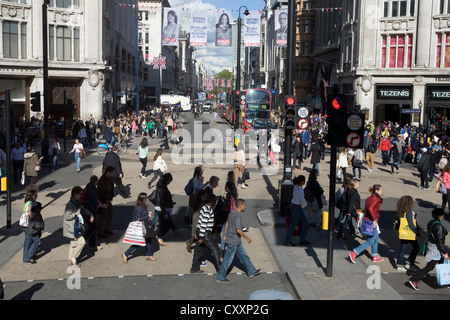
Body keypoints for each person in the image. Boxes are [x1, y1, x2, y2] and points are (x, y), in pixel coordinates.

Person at [216, 199, 261, 283]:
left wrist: (225, 235)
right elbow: (238, 230)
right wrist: (247, 238)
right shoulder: (237, 216)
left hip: (236, 240)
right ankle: (220, 276)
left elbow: (227, 223)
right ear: (241, 206)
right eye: (245, 205)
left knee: (244, 255)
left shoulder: (232, 212)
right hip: (233, 241)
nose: (245, 207)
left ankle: (251, 271)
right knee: (228, 259)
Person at [408, 208, 448, 291]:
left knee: (440, 263)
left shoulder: (431, 222)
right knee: (430, 266)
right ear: (441, 216)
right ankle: (414, 279)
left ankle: (444, 281)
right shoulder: (438, 226)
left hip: (430, 245)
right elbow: (440, 241)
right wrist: (445, 252)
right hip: (435, 248)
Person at [349, 184, 384, 263]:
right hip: (371, 221)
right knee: (370, 241)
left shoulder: (369, 198)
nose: (382, 192)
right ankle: (354, 253)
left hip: (367, 220)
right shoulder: (376, 199)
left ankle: (375, 256)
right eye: (381, 190)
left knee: (376, 238)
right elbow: (371, 208)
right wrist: (374, 219)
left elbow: (367, 208)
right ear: (377, 190)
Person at [191, 193, 221, 273]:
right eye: (215, 201)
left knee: (198, 250)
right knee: (215, 248)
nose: (215, 202)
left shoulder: (204, 207)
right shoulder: (208, 210)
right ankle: (220, 268)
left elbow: (199, 222)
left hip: (200, 231)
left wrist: (197, 233)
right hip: (204, 233)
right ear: (211, 201)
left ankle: (194, 268)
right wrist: (201, 237)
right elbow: (204, 223)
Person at [122, 192, 157, 263]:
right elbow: (138, 219)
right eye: (146, 198)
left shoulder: (143, 206)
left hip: (144, 226)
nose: (147, 199)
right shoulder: (139, 208)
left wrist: (147, 214)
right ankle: (126, 254)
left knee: (148, 240)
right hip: (140, 227)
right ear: (144, 199)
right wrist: (148, 216)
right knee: (138, 242)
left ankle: (149, 255)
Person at [63, 186, 94, 267]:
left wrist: (90, 214)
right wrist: (74, 214)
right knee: (82, 242)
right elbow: (67, 217)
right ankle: (73, 257)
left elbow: (82, 210)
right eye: (80, 194)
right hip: (72, 228)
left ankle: (71, 261)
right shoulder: (70, 204)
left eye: (82, 193)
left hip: (73, 227)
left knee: (73, 244)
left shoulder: (77, 202)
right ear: (75, 194)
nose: (81, 195)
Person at [284, 175, 313, 247]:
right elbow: (303, 202)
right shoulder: (300, 190)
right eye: (304, 180)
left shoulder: (296, 187)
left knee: (304, 221)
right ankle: (288, 241)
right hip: (297, 208)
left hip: (295, 206)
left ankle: (302, 239)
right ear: (302, 181)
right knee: (294, 224)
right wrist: (310, 211)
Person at [395, 195, 420, 271]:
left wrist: (414, 215)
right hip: (409, 233)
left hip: (403, 233)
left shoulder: (401, 212)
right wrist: (417, 233)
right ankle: (409, 263)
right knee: (416, 248)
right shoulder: (409, 213)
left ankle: (400, 264)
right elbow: (411, 224)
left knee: (403, 248)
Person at [83, 175, 107, 251]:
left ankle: (87, 241)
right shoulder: (92, 190)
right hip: (91, 211)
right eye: (97, 181)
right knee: (92, 228)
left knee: (91, 227)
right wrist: (102, 205)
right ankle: (89, 243)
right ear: (95, 181)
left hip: (87, 210)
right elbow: (95, 202)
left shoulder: (88, 188)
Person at [19, 186, 40, 264]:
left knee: (28, 240)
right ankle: (28, 257)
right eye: (36, 195)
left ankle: (25, 258)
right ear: (32, 196)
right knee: (36, 240)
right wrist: (36, 212)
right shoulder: (31, 203)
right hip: (27, 224)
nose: (37, 196)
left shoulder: (27, 202)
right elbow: (31, 215)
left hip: (23, 224)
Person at [154, 173, 176, 245]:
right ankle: (159, 237)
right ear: (167, 181)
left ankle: (160, 237)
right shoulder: (162, 189)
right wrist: (165, 213)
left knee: (165, 224)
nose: (170, 181)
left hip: (163, 209)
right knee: (163, 224)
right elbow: (162, 202)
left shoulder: (162, 188)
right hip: (162, 210)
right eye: (169, 180)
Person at [185, 189, 208, 253]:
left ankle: (189, 243)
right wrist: (194, 231)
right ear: (201, 196)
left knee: (196, 238)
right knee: (198, 238)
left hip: (198, 225)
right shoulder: (201, 205)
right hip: (198, 225)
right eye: (205, 196)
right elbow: (196, 219)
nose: (206, 198)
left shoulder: (199, 203)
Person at [97, 166, 115, 238]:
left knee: (111, 213)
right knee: (103, 216)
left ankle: (106, 229)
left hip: (107, 199)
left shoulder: (109, 179)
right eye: (112, 172)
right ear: (108, 172)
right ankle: (100, 232)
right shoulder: (103, 179)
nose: (113, 174)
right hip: (104, 200)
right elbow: (101, 191)